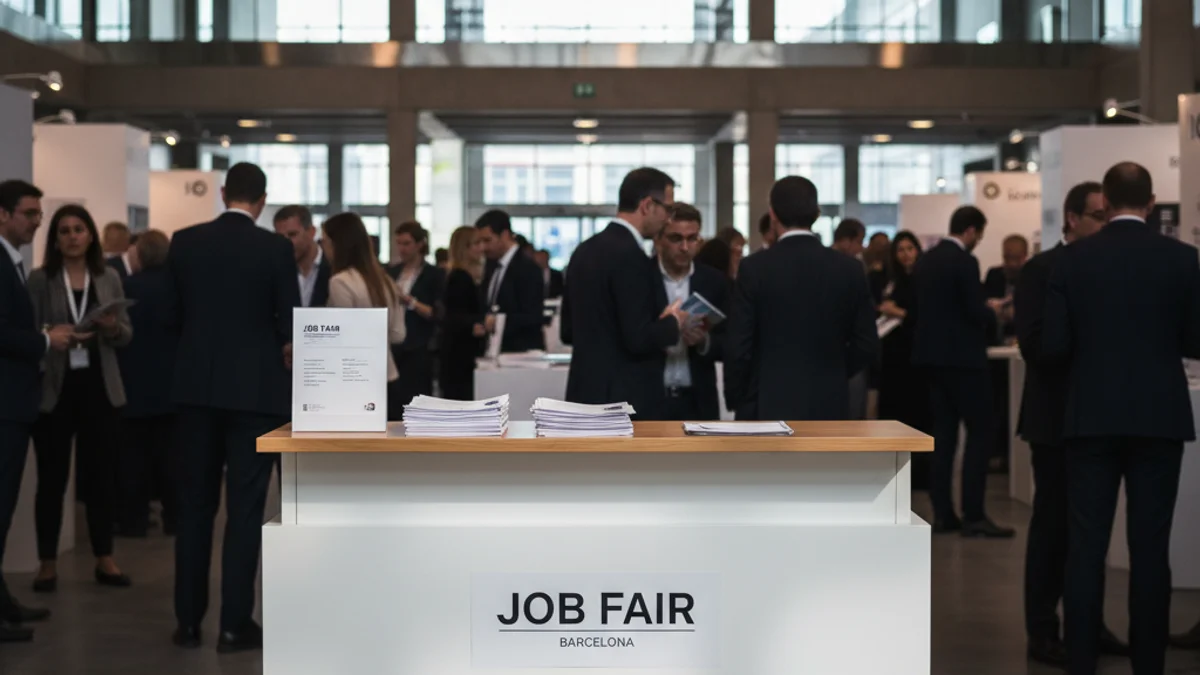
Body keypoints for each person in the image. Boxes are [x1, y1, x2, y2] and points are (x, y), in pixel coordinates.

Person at [1043, 163, 1200, 675]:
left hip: (1091, 416)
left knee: (1086, 548)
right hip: (1159, 415)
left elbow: (1055, 345)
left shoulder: (1072, 262)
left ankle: (1082, 661)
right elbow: (1196, 341)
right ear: (1151, 203)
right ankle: (1148, 664)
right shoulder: (1182, 259)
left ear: (1105, 203)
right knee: (1150, 549)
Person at [166, 162, 300, 652]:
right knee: (244, 512)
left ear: (224, 193)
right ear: (262, 200)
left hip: (194, 391)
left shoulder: (184, 241)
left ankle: (186, 623)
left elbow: (173, 317)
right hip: (254, 395)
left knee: (195, 509)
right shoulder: (275, 248)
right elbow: (289, 322)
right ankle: (232, 625)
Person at [1014, 181, 1127, 667]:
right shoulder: (1042, 269)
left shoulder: (1107, 267)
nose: (1105, 224)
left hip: (1099, 417)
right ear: (1073, 219)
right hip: (1055, 419)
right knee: (1052, 529)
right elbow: (1035, 346)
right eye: (1098, 216)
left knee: (1092, 532)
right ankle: (1042, 629)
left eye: (1108, 216)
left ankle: (1088, 622)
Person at [27, 204, 134, 592]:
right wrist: (51, 331)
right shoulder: (41, 279)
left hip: (100, 388)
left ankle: (105, 558)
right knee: (52, 480)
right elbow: (27, 331)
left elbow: (127, 335)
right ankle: (47, 562)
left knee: (102, 478)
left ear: (91, 235)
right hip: (55, 390)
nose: (72, 236)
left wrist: (110, 327)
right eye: (64, 231)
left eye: (79, 229)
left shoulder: (108, 278)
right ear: (55, 239)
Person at [726, 176, 877, 421]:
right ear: (816, 213)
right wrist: (834, 371)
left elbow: (739, 344)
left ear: (772, 214)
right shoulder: (849, 269)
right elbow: (867, 343)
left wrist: (736, 396)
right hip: (830, 400)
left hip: (766, 400)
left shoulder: (754, 268)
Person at [912, 205, 1013, 538]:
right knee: (980, 434)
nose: (978, 241)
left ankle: (943, 514)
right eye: (979, 235)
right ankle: (974, 514)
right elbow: (972, 309)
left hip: (932, 362)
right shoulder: (965, 262)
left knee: (943, 436)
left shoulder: (926, 259)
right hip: (965, 362)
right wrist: (992, 312)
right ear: (970, 231)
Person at [561, 167, 688, 417]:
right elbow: (637, 338)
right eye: (668, 209)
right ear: (648, 205)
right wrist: (674, 322)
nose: (669, 219)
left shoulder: (584, 250)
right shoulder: (631, 256)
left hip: (584, 394)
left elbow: (567, 331)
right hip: (623, 401)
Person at [0, 180, 55, 643]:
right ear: (3, 214)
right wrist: (44, 340)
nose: (38, 221)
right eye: (29, 213)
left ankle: (3, 604)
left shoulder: (12, 262)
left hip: (14, 404)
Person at [117, 230, 179, 538]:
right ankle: (174, 519)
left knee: (134, 459)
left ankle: (134, 520)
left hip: (133, 384)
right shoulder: (178, 290)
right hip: (170, 387)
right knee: (171, 459)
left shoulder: (126, 288)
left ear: (139, 254)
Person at [652, 203, 728, 421]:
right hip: (651, 398)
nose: (685, 247)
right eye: (676, 238)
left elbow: (731, 341)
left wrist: (704, 342)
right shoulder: (640, 278)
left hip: (698, 400)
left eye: (692, 238)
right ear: (659, 240)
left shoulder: (714, 282)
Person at [322, 213, 407, 384]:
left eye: (324, 241)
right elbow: (399, 335)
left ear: (335, 244)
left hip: (355, 376)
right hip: (387, 373)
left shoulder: (340, 282)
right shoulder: (385, 280)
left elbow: (342, 337)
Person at [877, 231, 932, 484]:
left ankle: (920, 473)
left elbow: (923, 318)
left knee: (916, 414)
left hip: (916, 358)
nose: (906, 254)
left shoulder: (924, 281)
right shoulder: (892, 281)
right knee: (893, 414)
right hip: (893, 360)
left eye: (910, 248)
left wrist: (898, 312)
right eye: (901, 250)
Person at [386, 221, 443, 419]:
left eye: (406, 243)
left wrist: (410, 302)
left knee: (416, 399)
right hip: (394, 344)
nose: (402, 248)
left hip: (419, 345)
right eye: (399, 243)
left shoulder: (434, 275)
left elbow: (436, 312)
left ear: (420, 244)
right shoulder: (391, 272)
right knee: (394, 401)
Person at [476, 210, 545, 353]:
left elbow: (533, 316)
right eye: (480, 241)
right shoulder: (491, 266)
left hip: (521, 354)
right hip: (495, 351)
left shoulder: (528, 268)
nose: (483, 247)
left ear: (505, 235)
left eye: (488, 240)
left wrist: (498, 322)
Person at [439, 226, 487, 401]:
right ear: (464, 248)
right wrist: (476, 324)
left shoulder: (466, 275)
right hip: (459, 355)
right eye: (476, 243)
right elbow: (454, 315)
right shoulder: (460, 277)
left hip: (459, 352)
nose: (481, 247)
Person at [272, 205, 330, 309]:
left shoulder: (334, 267)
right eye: (280, 237)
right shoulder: (275, 271)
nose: (286, 243)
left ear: (311, 232)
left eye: (292, 234)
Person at [985, 233, 1028, 340]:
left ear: (1024, 257)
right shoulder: (994, 275)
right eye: (1007, 257)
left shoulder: (1033, 277)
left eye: (1015, 258)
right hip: (997, 339)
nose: (1011, 263)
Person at [865, 231, 891, 304]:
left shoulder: (889, 265)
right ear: (871, 245)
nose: (881, 248)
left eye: (885, 245)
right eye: (878, 244)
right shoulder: (860, 262)